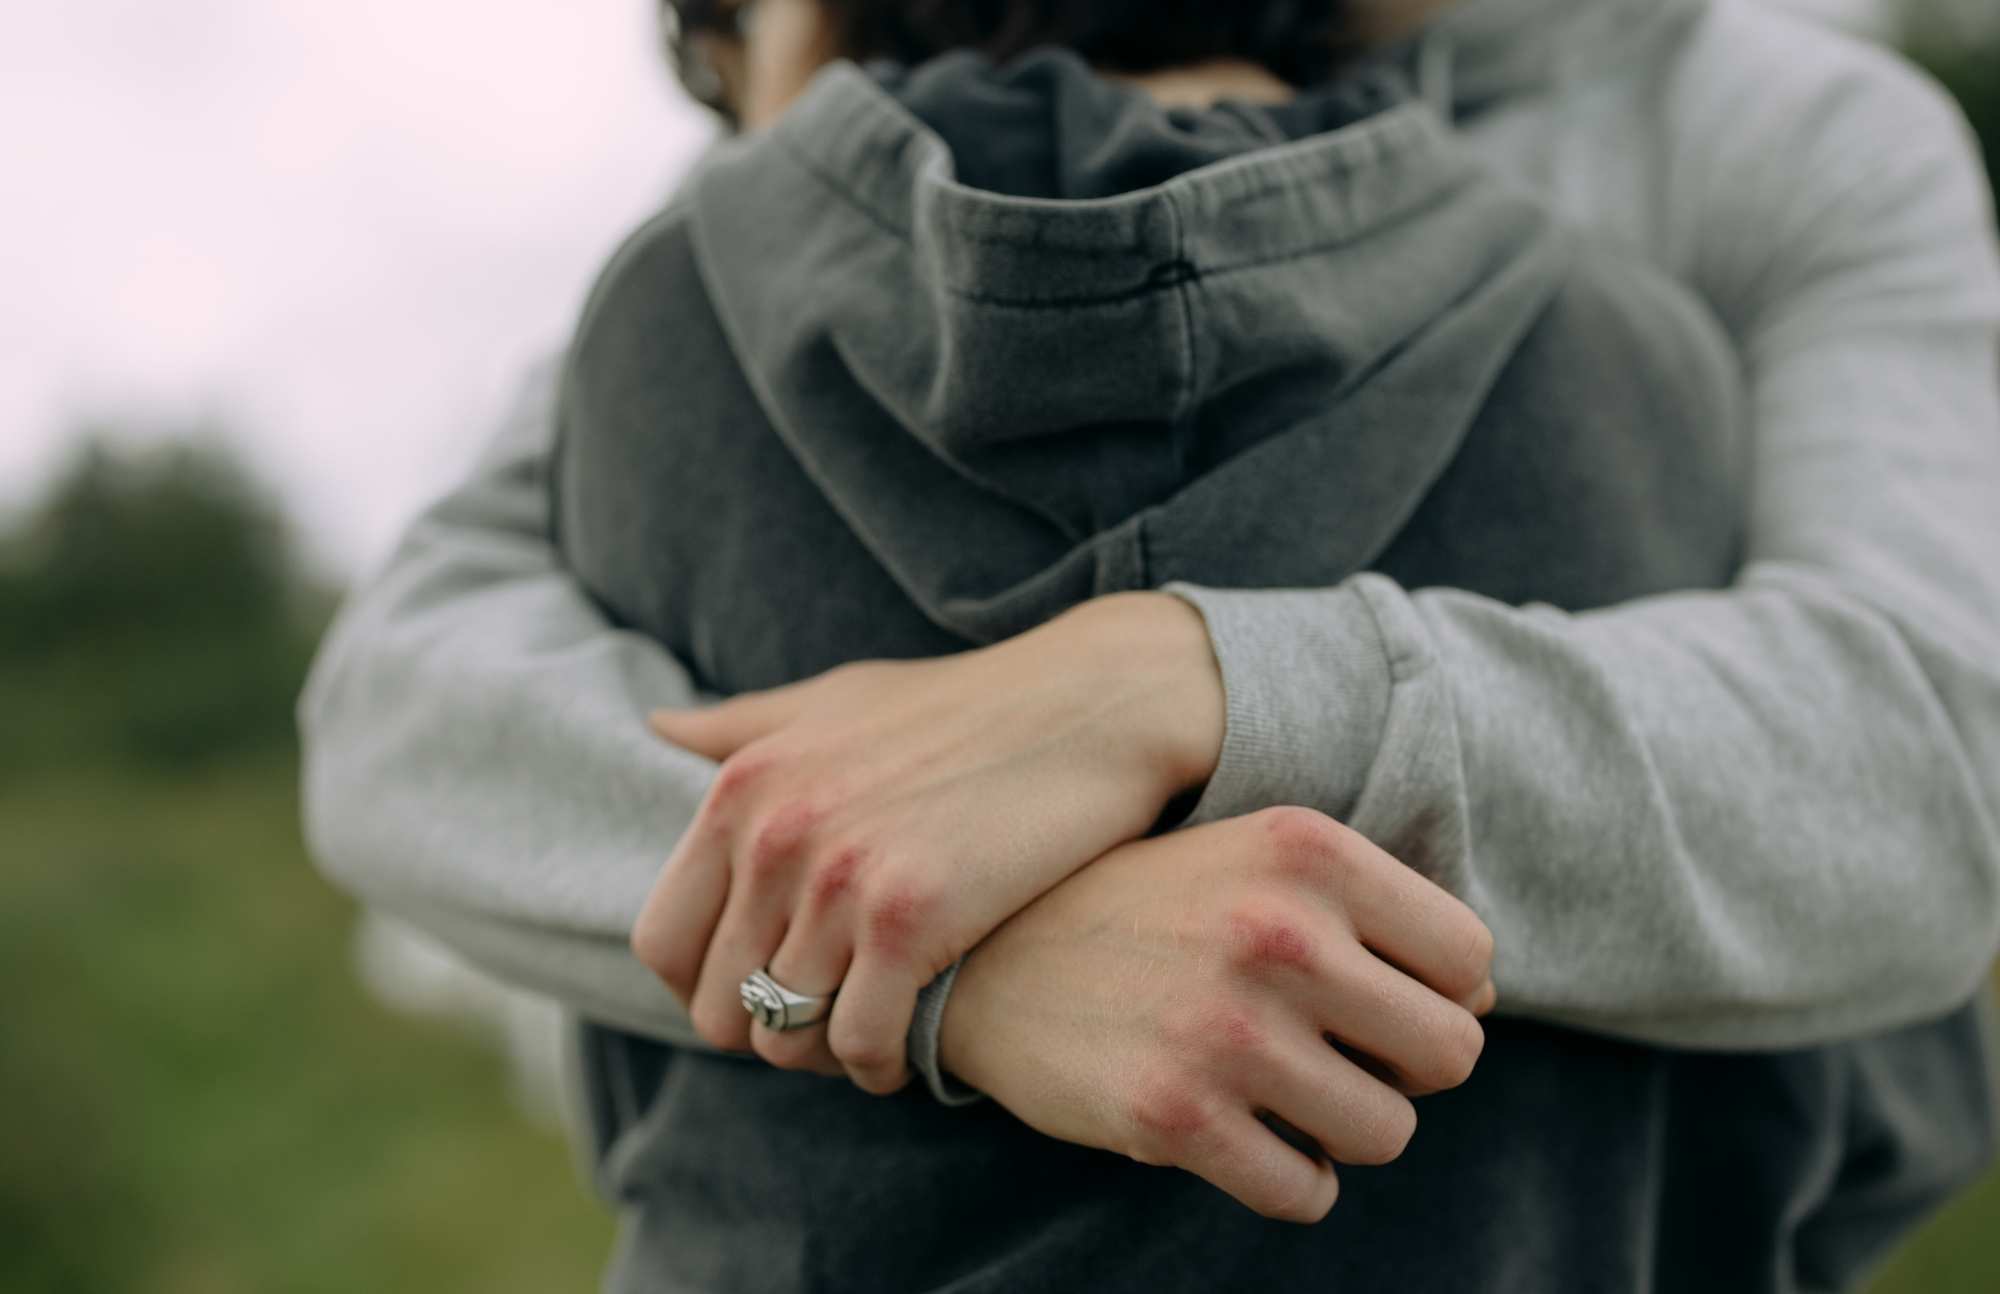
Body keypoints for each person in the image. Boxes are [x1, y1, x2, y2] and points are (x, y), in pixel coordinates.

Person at [300, 0, 2000, 1289]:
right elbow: (401, 709)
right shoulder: (719, 262)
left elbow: (1930, 775)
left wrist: (1185, 682)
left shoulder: (1768, 139)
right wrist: (949, 959)